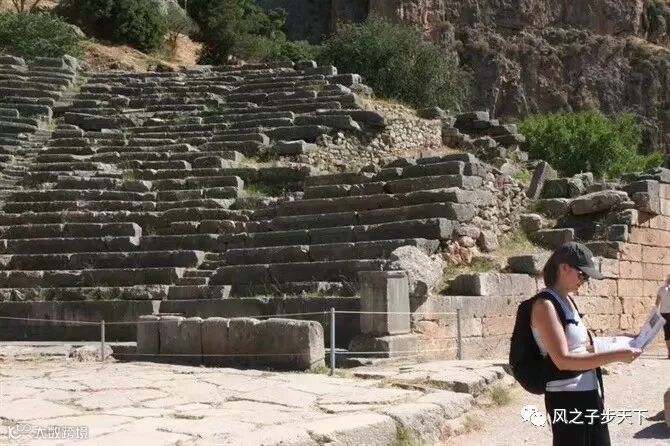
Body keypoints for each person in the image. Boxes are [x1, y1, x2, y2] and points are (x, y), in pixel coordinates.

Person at [531, 242, 642, 446]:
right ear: (564, 267)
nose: (584, 280)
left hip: (588, 392)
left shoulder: (567, 300)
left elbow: (582, 348)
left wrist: (620, 340)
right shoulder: (545, 305)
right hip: (567, 399)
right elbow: (562, 360)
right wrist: (616, 357)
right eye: (583, 274)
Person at [654, 274, 670, 359]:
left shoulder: (661, 289)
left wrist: (654, 313)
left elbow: (657, 303)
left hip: (664, 313)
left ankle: (669, 352)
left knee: (667, 333)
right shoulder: (662, 289)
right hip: (665, 313)